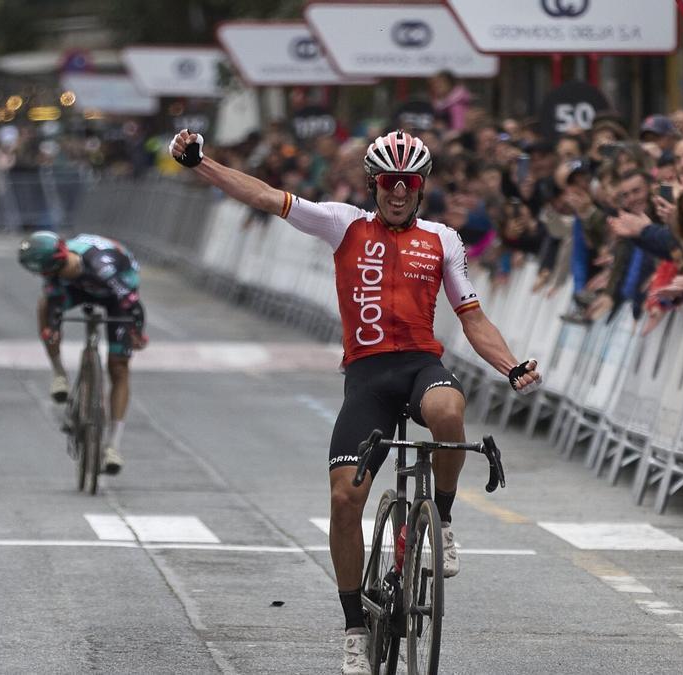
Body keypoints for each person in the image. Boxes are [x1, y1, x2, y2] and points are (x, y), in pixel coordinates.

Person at [168, 128, 541, 675]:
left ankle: (441, 519)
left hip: (420, 366)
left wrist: (511, 366)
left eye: (408, 182)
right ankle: (354, 628)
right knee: (345, 500)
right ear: (374, 184)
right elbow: (266, 196)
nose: (398, 191)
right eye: (389, 182)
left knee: (449, 411)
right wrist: (201, 163)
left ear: (422, 186)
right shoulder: (343, 224)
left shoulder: (443, 239)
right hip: (367, 378)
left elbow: (474, 318)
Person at [17, 231, 148, 475]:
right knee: (45, 304)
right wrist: (51, 331)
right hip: (78, 288)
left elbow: (132, 303)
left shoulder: (102, 267)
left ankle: (113, 446)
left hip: (115, 293)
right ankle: (59, 374)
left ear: (59, 263)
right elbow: (54, 304)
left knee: (119, 367)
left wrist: (138, 332)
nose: (48, 277)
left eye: (52, 273)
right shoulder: (56, 273)